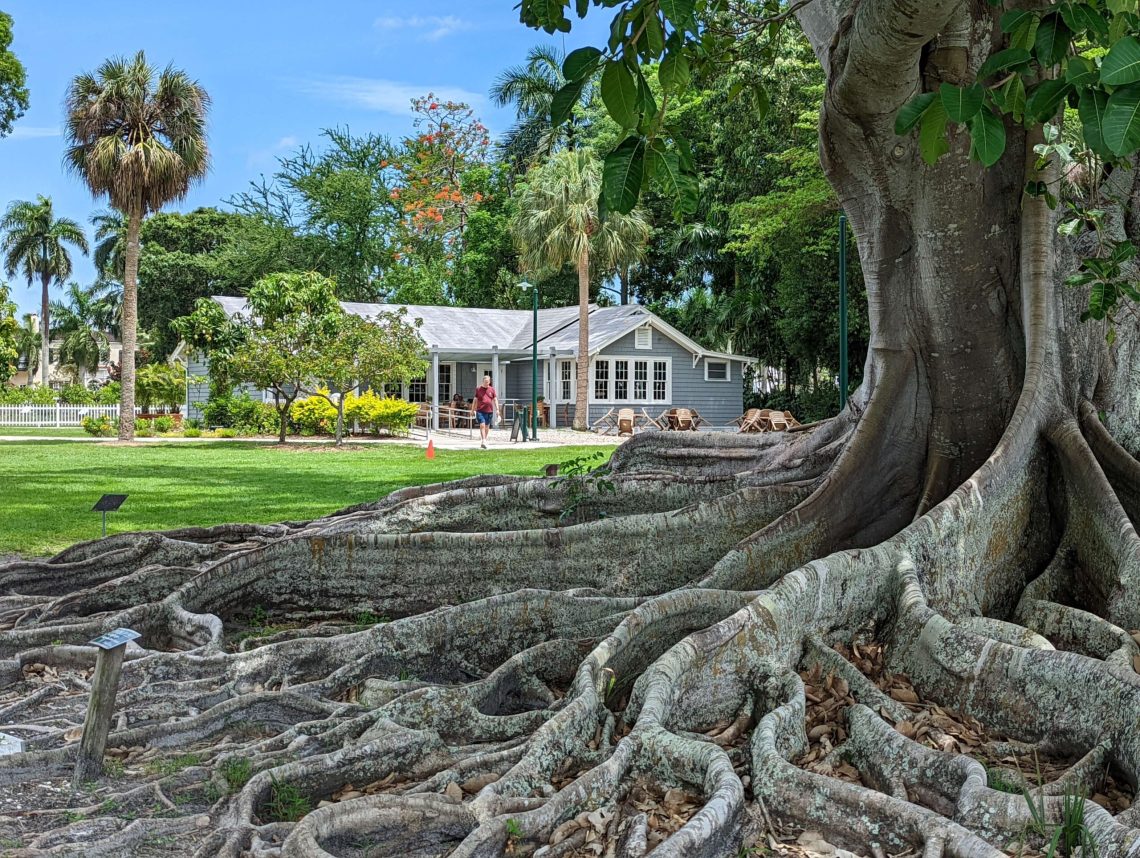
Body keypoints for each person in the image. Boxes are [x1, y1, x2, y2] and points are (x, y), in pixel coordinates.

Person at [471, 375, 498, 449]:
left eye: (488, 382)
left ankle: (484, 441)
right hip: (480, 410)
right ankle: (483, 440)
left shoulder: (492, 389)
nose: (487, 383)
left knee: (487, 426)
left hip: (489, 411)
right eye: (485, 382)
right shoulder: (478, 389)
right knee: (482, 425)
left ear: (489, 382)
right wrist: (472, 410)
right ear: (483, 381)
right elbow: (475, 400)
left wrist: (497, 409)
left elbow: (495, 399)